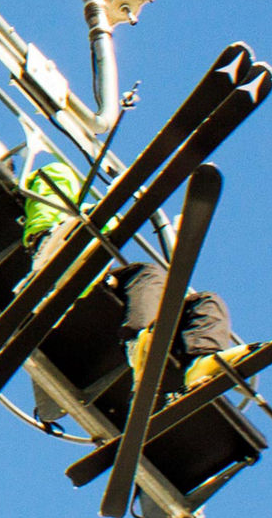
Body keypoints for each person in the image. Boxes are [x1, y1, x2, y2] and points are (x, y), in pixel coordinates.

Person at [18, 158, 250, 392]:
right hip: (62, 249)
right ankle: (140, 342)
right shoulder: (46, 187)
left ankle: (201, 363)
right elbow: (48, 187)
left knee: (208, 301)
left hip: (90, 270)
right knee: (144, 272)